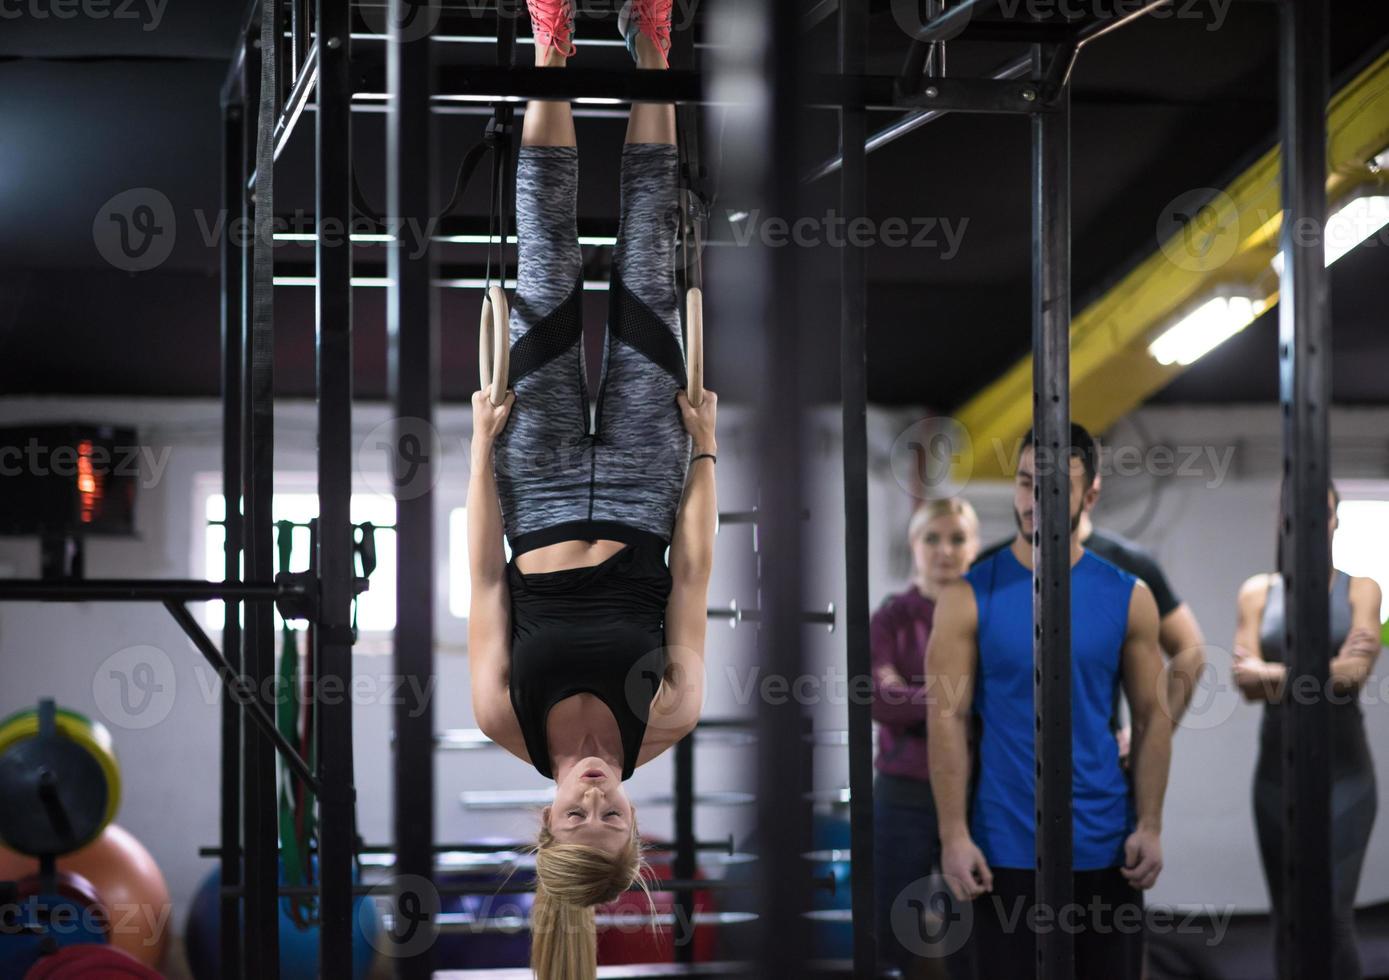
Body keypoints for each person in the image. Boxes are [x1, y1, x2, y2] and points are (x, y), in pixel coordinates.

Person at [466, 3, 717, 977]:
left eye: (580, 812)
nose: (598, 793)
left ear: (547, 816)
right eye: (613, 813)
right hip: (651, 481)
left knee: (549, 256)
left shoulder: (503, 714)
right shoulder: (671, 709)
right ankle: (652, 37)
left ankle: (553, 41)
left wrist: (481, 452)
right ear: (635, 822)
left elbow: (485, 580)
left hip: (532, 480)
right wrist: (705, 454)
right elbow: (691, 574)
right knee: (651, 259)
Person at [927, 423, 1173, 980]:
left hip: (1106, 847)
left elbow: (1154, 714)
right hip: (1004, 850)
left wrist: (1151, 824)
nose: (1034, 501)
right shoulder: (968, 596)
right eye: (1023, 483)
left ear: (1091, 495)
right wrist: (954, 836)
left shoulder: (1129, 597)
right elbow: (946, 717)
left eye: (1056, 489)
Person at [1232, 482, 1382, 980]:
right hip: (1276, 774)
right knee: (1290, 920)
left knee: (1334, 917)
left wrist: (1274, 673)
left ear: (1337, 521)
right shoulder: (1259, 592)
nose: (1315, 523)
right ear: (1283, 520)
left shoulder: (1363, 588)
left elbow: (1355, 675)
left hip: (1346, 774)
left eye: (1326, 513)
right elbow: (1243, 680)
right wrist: (1324, 671)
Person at [871, 498, 979, 979]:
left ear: (973, 545)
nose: (945, 550)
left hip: (976, 789)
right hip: (904, 791)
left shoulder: (987, 615)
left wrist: (913, 697)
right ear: (913, 546)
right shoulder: (893, 617)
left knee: (975, 921)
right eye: (931, 538)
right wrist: (958, 699)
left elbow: (1005, 696)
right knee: (893, 919)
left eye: (957, 538)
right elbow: (875, 698)